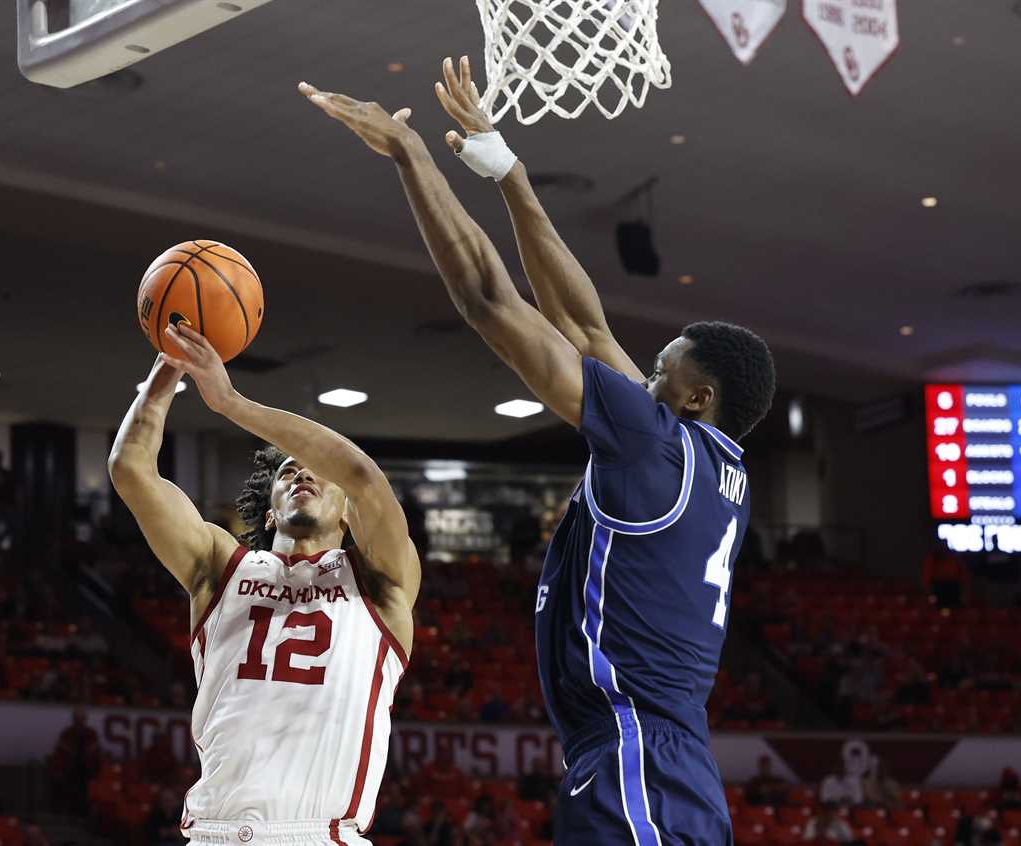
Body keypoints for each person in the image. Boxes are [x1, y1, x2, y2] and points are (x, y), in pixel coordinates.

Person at [302, 55, 775, 846]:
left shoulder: (656, 447)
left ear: (697, 398)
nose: (643, 370)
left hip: (636, 761)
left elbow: (494, 302)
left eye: (662, 370)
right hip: (659, 763)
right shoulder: (708, 462)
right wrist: (506, 169)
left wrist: (411, 157)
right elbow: (585, 327)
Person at [108, 323, 421, 846]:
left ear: (348, 514)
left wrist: (229, 401)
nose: (302, 475)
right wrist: (169, 366)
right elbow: (130, 468)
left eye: (319, 473)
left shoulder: (381, 580)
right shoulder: (220, 567)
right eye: (288, 473)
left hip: (321, 835)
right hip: (213, 832)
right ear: (270, 513)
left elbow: (363, 475)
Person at [47, 707, 102, 815]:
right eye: (77, 718)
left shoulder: (91, 733)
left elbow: (95, 749)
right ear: (74, 719)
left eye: (82, 718)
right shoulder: (66, 733)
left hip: (87, 769)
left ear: (85, 719)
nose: (80, 720)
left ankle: (84, 812)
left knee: (87, 790)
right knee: (67, 788)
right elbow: (61, 749)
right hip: (69, 769)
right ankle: (68, 811)